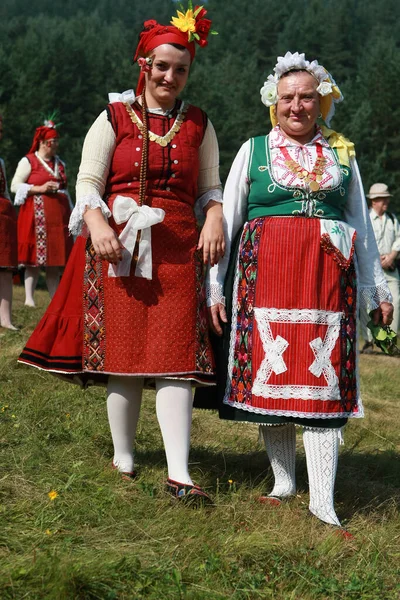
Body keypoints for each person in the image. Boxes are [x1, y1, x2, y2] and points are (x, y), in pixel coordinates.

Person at [19, 6, 224, 500]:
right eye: (162, 66)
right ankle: (124, 456)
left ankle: (180, 473)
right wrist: (96, 225)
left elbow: (210, 188)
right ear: (143, 64)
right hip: (119, 248)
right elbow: (88, 183)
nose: (170, 76)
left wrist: (214, 215)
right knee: (126, 352)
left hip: (178, 247)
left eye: (181, 68)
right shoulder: (113, 117)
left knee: (177, 356)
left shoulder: (199, 123)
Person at [207, 52, 393, 531]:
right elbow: (227, 220)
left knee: (319, 384)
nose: (297, 106)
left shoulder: (341, 154)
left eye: (307, 97)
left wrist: (377, 291)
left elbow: (360, 226)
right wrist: (215, 288)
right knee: (272, 381)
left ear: (322, 101)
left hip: (327, 283)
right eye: (287, 97)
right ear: (275, 102)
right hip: (262, 276)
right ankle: (284, 482)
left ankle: (323, 500)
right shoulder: (253, 150)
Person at [11, 119, 73, 307]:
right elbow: (15, 185)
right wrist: (40, 188)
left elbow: (66, 191)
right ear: (43, 143)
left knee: (54, 261)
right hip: (35, 216)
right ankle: (29, 298)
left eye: (56, 141)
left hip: (57, 218)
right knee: (34, 261)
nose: (55, 145)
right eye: (53, 141)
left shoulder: (59, 163)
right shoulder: (29, 161)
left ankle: (54, 298)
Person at [361, 183, 400, 352]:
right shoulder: (366, 219)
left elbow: (399, 239)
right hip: (371, 267)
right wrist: (376, 258)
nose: (386, 201)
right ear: (374, 201)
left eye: (386, 198)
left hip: (390, 267)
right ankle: (369, 341)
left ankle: (390, 340)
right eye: (382, 199)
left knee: (395, 302)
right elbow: (363, 242)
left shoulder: (392, 218)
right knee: (368, 304)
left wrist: (391, 256)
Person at [0, 115, 18, 330]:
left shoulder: (1, 161)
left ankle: (5, 320)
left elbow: (5, 191)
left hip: (2, 219)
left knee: (4, 270)